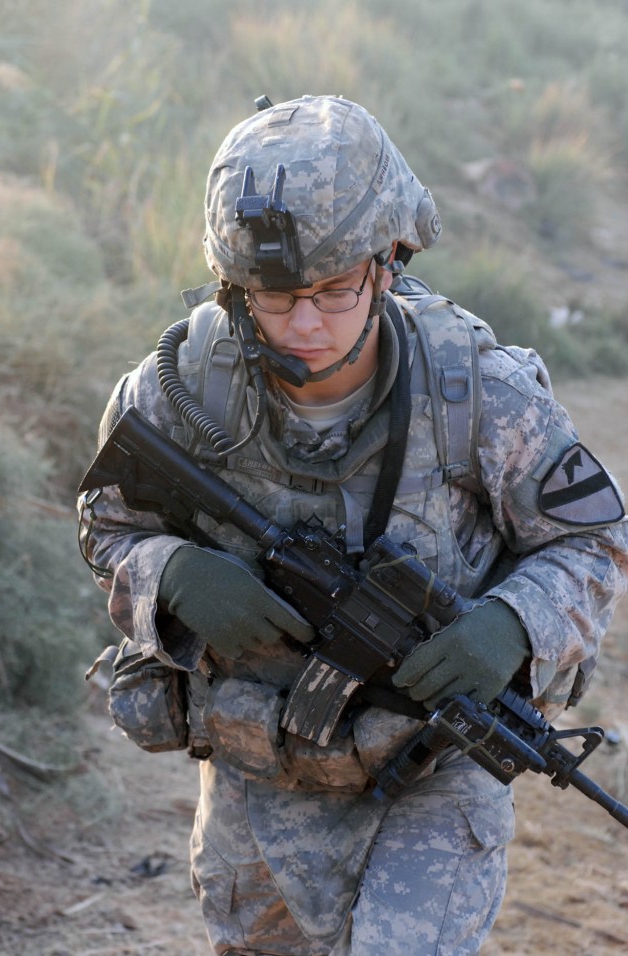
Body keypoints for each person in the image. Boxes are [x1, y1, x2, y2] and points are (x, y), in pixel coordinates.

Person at [79, 95, 628, 955]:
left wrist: (511, 627)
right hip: (258, 768)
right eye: (275, 295)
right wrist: (173, 575)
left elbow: (594, 539)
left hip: (430, 772)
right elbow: (107, 522)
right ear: (234, 285)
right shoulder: (186, 385)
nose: (304, 324)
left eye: (334, 291)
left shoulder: (476, 390)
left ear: (388, 264)